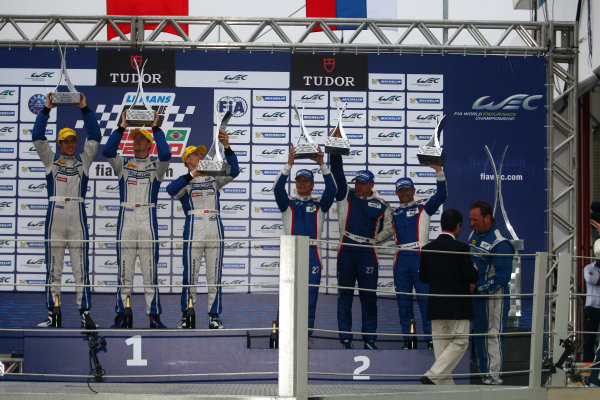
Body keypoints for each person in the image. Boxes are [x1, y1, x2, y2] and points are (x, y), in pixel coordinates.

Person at [33, 93, 100, 329]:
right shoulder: (51, 160)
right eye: (66, 141)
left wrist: (84, 108)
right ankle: (54, 313)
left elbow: (95, 136)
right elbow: (37, 136)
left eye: (73, 140)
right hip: (55, 215)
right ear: (59, 144)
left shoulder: (85, 160)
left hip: (78, 215)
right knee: (54, 268)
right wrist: (46, 109)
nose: (70, 144)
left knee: (81, 267)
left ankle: (84, 313)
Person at [103, 110, 171, 329]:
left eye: (141, 138)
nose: (136, 141)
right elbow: (107, 150)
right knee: (125, 272)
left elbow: (167, 154)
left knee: (150, 272)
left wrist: (156, 127)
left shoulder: (156, 167)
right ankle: (122, 315)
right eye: (135, 138)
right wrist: (122, 127)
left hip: (147, 219)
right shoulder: (123, 165)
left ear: (150, 144)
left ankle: (154, 316)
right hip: (127, 219)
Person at [166, 131, 239, 329]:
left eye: (201, 153)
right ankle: (187, 315)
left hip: (214, 223)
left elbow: (234, 171)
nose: (200, 156)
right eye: (196, 154)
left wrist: (227, 147)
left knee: (214, 274)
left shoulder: (214, 178)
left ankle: (214, 316)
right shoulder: (185, 181)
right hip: (194, 225)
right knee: (190, 273)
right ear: (187, 159)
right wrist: (192, 175)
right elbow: (170, 190)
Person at [330, 153, 393, 349]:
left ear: (371, 185)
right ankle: (346, 338)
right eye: (356, 182)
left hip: (367, 251)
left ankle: (369, 339)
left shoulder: (382, 204)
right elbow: (337, 173)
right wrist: (335, 152)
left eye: (363, 183)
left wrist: (375, 240)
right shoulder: (345, 195)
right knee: (345, 296)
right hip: (347, 247)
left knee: (368, 297)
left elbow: (389, 229)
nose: (358, 185)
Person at [273, 145, 336, 334]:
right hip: (291, 252)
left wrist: (322, 164)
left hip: (312, 253)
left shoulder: (320, 204)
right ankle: (282, 334)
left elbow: (332, 190)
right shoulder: (288, 203)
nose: (302, 184)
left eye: (306, 181)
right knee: (288, 295)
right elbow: (277, 189)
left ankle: (305, 334)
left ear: (312, 185)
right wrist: (288, 164)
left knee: (310, 297)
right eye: (299, 181)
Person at [419, 209, 478, 385]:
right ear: (458, 226)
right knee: (460, 343)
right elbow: (471, 277)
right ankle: (432, 375)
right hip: (458, 307)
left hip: (436, 308)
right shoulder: (461, 248)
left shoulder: (427, 249)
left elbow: (423, 277)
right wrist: (474, 267)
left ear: (441, 224)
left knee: (442, 356)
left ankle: (438, 381)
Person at [392, 162, 447, 349]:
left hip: (420, 255)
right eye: (401, 191)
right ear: (397, 193)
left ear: (413, 190)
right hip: (401, 258)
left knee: (426, 300)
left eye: (407, 190)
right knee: (403, 301)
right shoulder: (392, 213)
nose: (404, 193)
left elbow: (442, 195)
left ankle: (430, 340)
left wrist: (439, 171)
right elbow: (380, 232)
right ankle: (408, 340)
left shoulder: (424, 207)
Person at [468, 200, 514, 385]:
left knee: (492, 335)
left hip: (494, 297)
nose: (471, 224)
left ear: (487, 218)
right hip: (477, 297)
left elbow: (503, 277)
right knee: (479, 334)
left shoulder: (500, 242)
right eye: (470, 220)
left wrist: (479, 289)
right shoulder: (474, 234)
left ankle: (494, 377)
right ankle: (483, 374)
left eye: (475, 220)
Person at [583, 221, 600, 362]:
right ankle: (587, 364)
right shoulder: (588, 268)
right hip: (592, 307)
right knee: (589, 338)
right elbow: (595, 281)